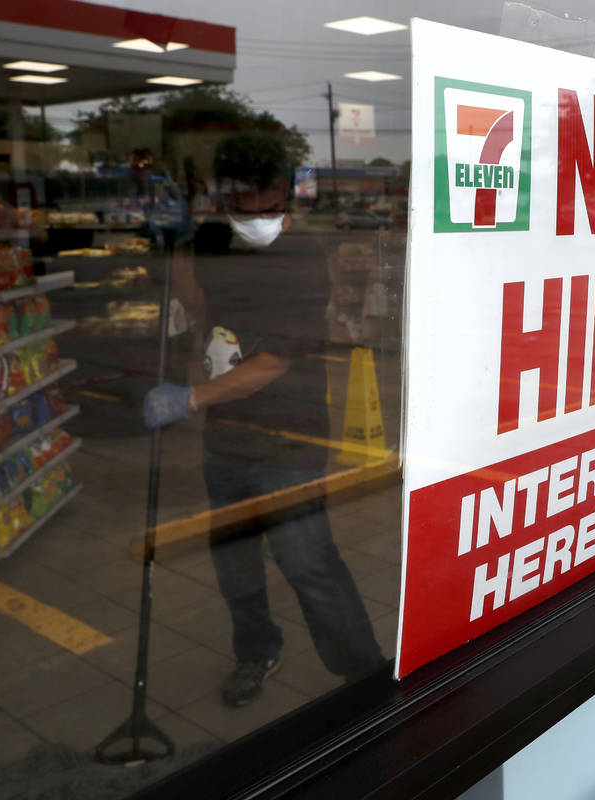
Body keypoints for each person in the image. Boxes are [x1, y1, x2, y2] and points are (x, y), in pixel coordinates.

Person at [144, 175, 383, 707]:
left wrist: (190, 400)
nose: (257, 218)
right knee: (234, 565)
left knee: (307, 562)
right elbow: (195, 301)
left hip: (288, 442)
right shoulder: (215, 241)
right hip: (225, 440)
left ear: (285, 203)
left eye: (269, 207)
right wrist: (176, 246)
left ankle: (363, 674)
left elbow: (276, 360)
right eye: (243, 206)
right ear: (226, 202)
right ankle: (256, 651)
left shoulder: (300, 257)